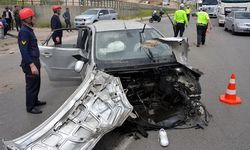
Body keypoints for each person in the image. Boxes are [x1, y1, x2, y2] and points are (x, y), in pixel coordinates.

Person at [18, 7, 46, 114]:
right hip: (30, 63)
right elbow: (24, 51)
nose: (34, 18)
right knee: (31, 86)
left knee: (36, 83)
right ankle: (30, 107)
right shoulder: (24, 32)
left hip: (35, 61)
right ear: (27, 18)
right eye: (32, 16)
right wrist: (31, 65)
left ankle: (35, 101)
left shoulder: (28, 29)